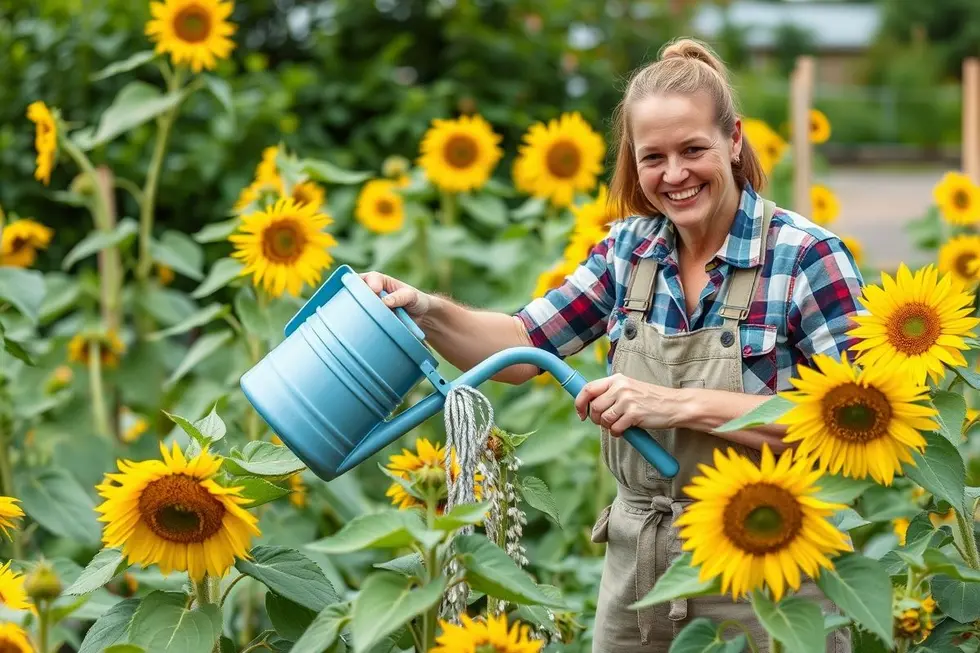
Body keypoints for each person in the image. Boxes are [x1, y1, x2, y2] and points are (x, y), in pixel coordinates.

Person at [362, 37, 862, 653]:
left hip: (769, 566)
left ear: (734, 142)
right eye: (653, 157)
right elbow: (522, 346)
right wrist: (426, 308)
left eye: (693, 150)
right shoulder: (630, 252)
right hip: (639, 570)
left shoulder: (805, 257)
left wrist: (671, 404)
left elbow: (849, 423)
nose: (674, 175)